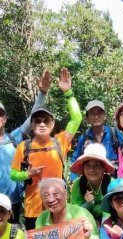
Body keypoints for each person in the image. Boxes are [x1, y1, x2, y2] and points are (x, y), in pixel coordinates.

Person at [10, 68, 82, 229]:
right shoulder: (24, 146)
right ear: (32, 125)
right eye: (37, 121)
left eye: (46, 120)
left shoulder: (60, 141)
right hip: (33, 208)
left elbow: (77, 118)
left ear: (52, 124)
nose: (42, 124)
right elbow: (12, 174)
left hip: (57, 206)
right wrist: (26, 174)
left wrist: (68, 93)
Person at [0, 70, 51, 217]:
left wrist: (42, 94)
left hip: (14, 200)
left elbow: (32, 117)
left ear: (5, 118)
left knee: (13, 237)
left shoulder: (14, 138)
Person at [70, 100, 123, 180]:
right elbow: (74, 160)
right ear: (87, 118)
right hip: (92, 181)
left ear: (104, 116)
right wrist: (74, 181)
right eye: (92, 113)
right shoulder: (84, 138)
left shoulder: (114, 133)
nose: (96, 116)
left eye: (99, 113)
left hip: (114, 181)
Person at [69, 143, 114, 223]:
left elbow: (112, 211)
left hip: (109, 222)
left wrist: (103, 230)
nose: (91, 170)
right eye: (88, 165)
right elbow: (75, 213)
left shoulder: (111, 184)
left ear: (103, 167)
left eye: (96, 165)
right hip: (85, 222)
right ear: (83, 168)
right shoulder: (78, 185)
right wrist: (89, 203)